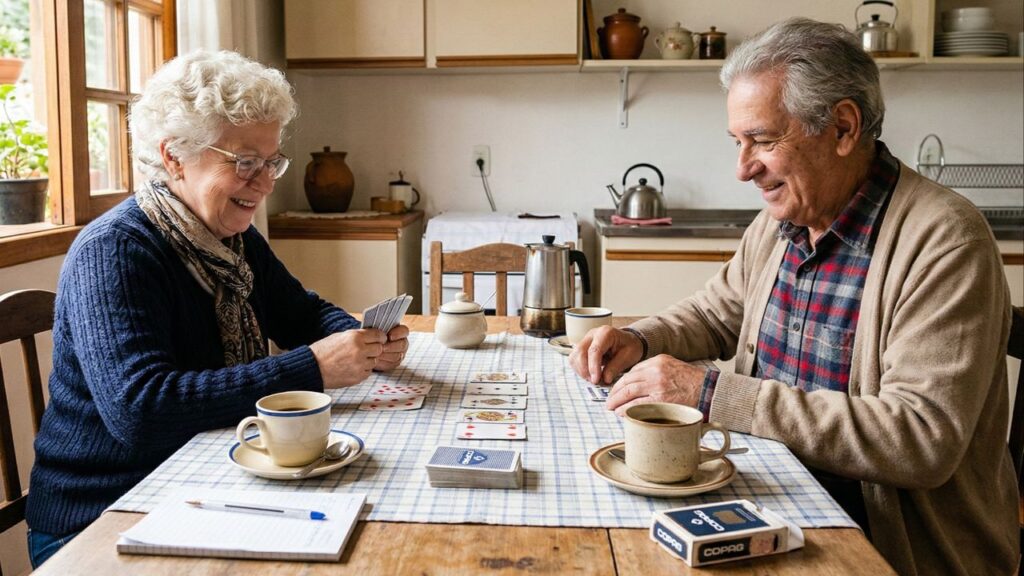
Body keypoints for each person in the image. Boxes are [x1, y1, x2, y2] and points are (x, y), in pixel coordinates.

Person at [570, 18, 1018, 576]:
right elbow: (715, 312)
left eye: (762, 139)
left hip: (883, 545)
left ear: (844, 128)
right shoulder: (783, 222)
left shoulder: (946, 240)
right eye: (738, 142)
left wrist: (713, 393)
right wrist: (641, 338)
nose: (742, 168)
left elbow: (920, 438)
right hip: (773, 497)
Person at [24, 50, 409, 567]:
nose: (267, 182)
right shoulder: (114, 250)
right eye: (245, 162)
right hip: (104, 513)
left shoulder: (231, 238)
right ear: (173, 157)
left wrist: (362, 340)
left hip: (202, 478)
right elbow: (141, 409)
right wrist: (314, 367)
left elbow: (301, 312)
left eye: (272, 161)